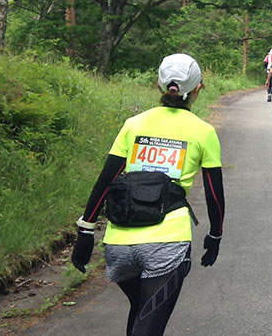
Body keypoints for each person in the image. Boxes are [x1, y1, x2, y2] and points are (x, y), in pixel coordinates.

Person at [71, 53, 225, 336]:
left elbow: (107, 179)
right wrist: (215, 235)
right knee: (148, 326)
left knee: (142, 315)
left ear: (158, 85)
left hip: (119, 243)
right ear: (199, 87)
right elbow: (214, 193)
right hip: (167, 244)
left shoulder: (134, 124)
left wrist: (85, 230)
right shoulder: (203, 132)